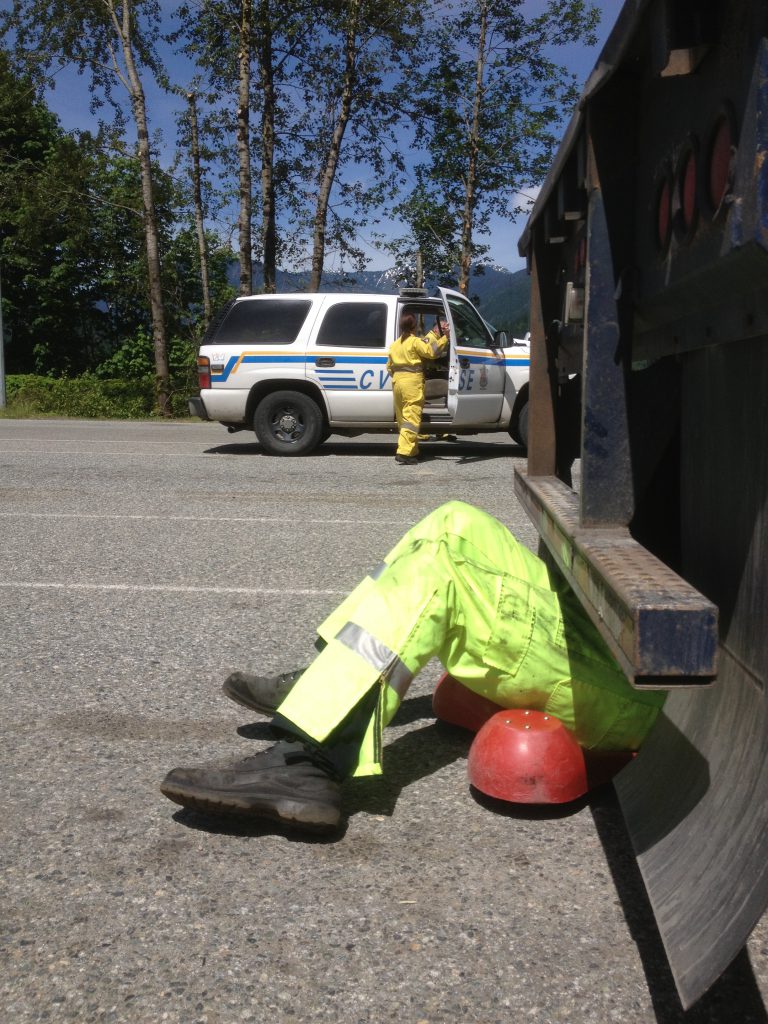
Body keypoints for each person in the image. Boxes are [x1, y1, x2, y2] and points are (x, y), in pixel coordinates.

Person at [161, 502, 666, 833]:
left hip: (636, 677)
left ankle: (311, 757)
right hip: (604, 620)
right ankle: (326, 680)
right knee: (452, 522)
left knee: (441, 569)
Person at [386, 312, 449, 464]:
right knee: (412, 417)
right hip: (411, 383)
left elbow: (389, 367)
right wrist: (445, 337)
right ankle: (404, 452)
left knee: (403, 418)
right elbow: (431, 351)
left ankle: (413, 451)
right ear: (414, 327)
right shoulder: (414, 342)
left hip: (397, 382)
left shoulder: (395, 344)